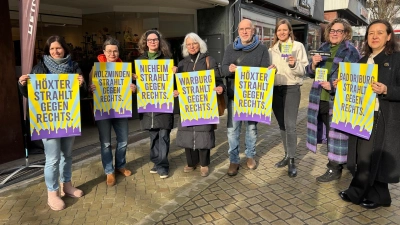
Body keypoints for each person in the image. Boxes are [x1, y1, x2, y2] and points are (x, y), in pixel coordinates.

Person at [18, 35, 86, 211]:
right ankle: (52, 193)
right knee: (53, 158)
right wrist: (23, 85)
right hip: (48, 122)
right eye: (52, 49)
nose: (55, 52)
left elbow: (81, 95)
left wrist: (82, 84)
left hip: (68, 119)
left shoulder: (74, 67)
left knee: (67, 156)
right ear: (48, 51)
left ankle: (67, 185)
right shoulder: (39, 68)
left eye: (58, 48)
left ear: (64, 49)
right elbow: (30, 94)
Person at [339, 20, 400, 209]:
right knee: (364, 156)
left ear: (389, 36)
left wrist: (387, 90)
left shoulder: (397, 59)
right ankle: (375, 195)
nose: (374, 36)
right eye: (371, 33)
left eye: (380, 32)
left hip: (383, 116)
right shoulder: (363, 61)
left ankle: (364, 193)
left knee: (372, 156)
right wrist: (342, 84)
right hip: (361, 116)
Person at [305, 18, 361, 182]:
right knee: (330, 135)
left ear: (346, 33)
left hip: (337, 100)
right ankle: (340, 164)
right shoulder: (323, 48)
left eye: (339, 31)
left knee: (338, 134)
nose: (335, 33)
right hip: (319, 99)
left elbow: (355, 80)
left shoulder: (351, 52)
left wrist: (334, 86)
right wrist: (313, 65)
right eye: (332, 31)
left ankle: (335, 168)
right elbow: (309, 72)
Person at [221, 19, 270, 176]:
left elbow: (264, 72)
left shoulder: (262, 49)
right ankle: (234, 160)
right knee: (232, 131)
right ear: (238, 31)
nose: (244, 31)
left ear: (253, 30)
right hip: (234, 96)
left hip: (252, 97)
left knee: (251, 129)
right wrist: (228, 69)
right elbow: (222, 69)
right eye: (241, 29)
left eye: (247, 29)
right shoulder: (230, 48)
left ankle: (250, 156)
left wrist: (270, 72)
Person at [173, 32, 225, 177]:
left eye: (194, 43)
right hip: (188, 106)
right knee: (187, 132)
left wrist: (220, 88)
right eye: (188, 44)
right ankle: (191, 162)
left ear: (200, 44)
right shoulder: (182, 64)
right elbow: (178, 84)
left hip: (204, 105)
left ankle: (204, 164)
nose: (191, 46)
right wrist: (175, 90)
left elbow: (218, 80)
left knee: (204, 133)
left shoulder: (209, 60)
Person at [90, 37, 135, 186]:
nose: (112, 53)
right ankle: (109, 171)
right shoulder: (96, 68)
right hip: (103, 111)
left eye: (115, 50)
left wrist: (133, 89)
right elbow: (89, 87)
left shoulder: (124, 68)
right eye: (109, 51)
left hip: (120, 109)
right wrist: (91, 88)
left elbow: (131, 88)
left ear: (118, 51)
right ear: (104, 52)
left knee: (123, 141)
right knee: (106, 143)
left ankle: (120, 166)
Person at [268, 19, 308, 177]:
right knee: (282, 125)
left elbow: (303, 70)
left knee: (291, 124)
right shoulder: (271, 50)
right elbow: (268, 71)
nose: (282, 33)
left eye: (285, 30)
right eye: (279, 30)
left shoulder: (297, 47)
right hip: (275, 90)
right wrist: (269, 70)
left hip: (291, 88)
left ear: (289, 31)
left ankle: (292, 159)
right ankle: (286, 154)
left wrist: (293, 64)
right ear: (276, 33)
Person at [135, 30, 175, 179]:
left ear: (160, 41)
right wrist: (134, 79)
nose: (152, 42)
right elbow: (136, 84)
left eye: (155, 40)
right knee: (153, 136)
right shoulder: (140, 61)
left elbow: (174, 82)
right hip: (148, 105)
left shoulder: (167, 60)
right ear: (145, 43)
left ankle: (163, 166)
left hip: (163, 104)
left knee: (164, 135)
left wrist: (175, 72)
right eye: (149, 40)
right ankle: (156, 161)